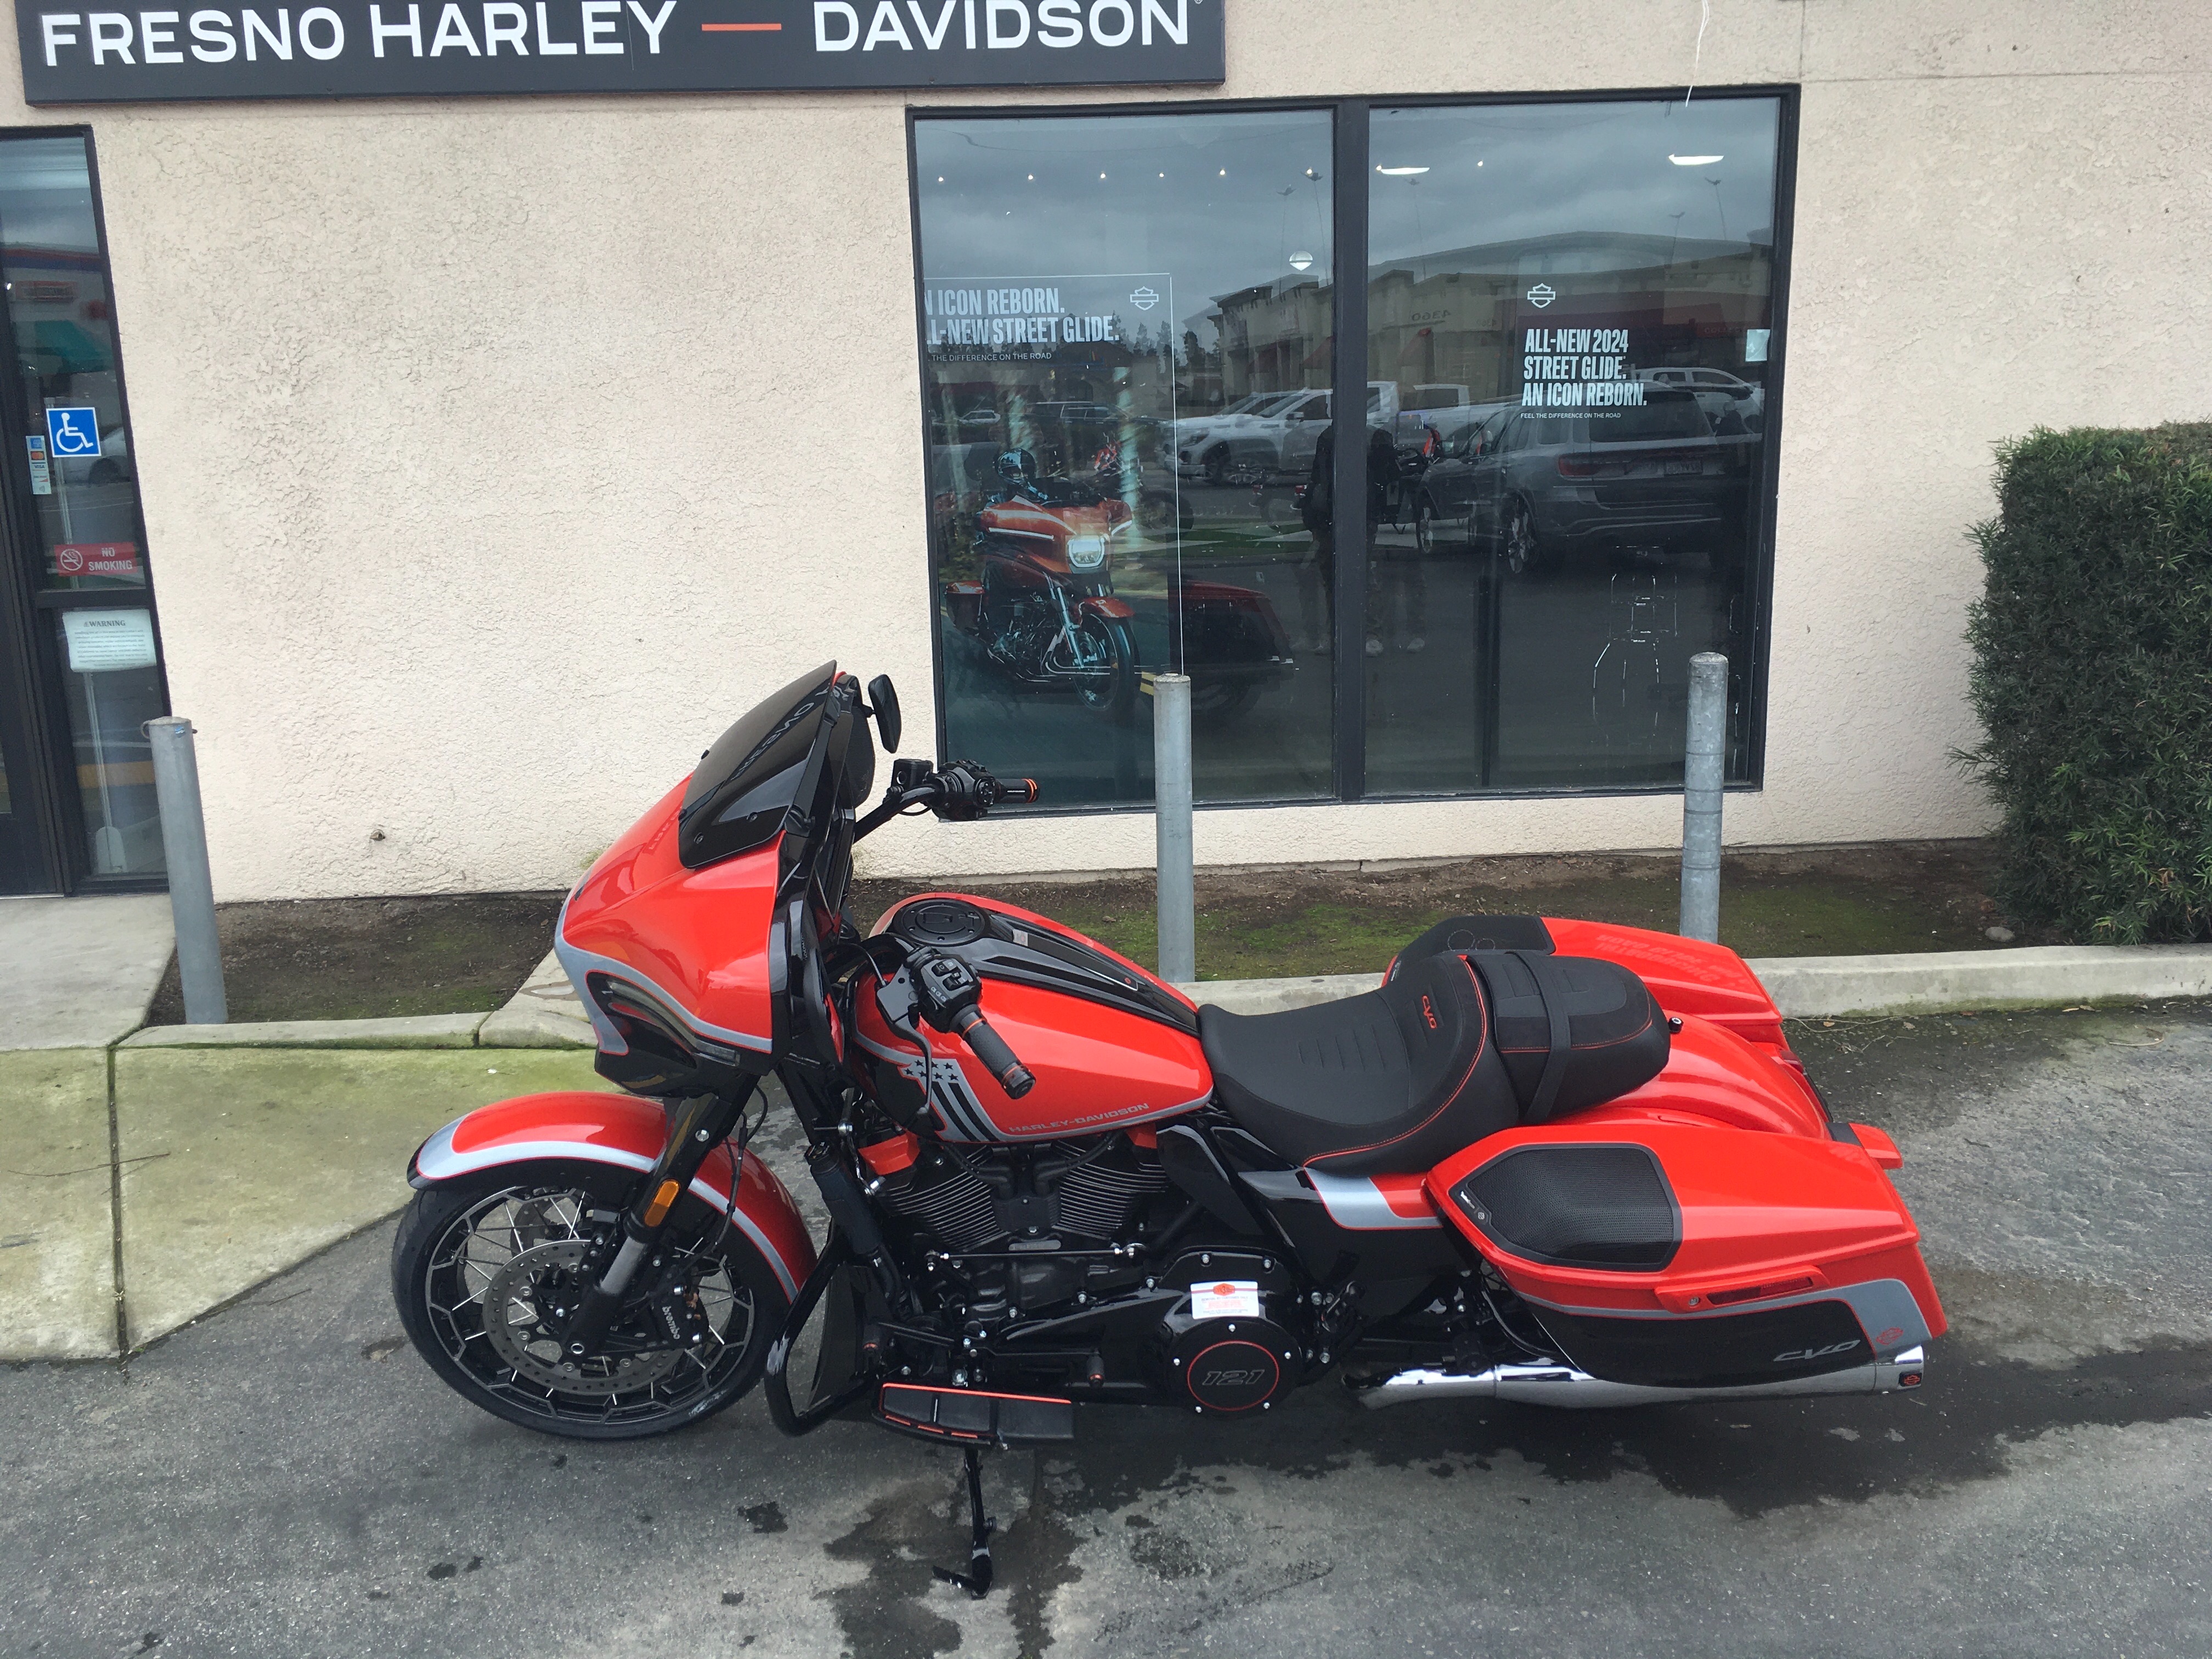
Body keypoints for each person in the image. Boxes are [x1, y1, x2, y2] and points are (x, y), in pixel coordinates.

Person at [1296, 421, 1428, 655]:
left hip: (1357, 515)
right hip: (1332, 515)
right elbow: (1320, 477)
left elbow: (1386, 477)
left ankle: (1369, 633)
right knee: (1337, 575)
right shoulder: (1330, 437)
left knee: (1359, 573)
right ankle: (1345, 633)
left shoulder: (1369, 438)